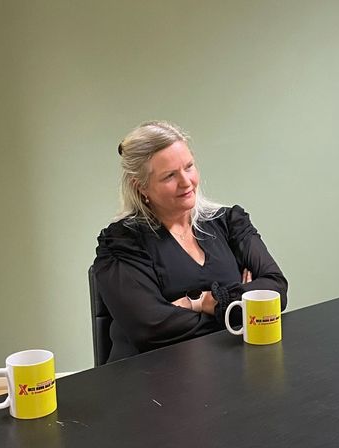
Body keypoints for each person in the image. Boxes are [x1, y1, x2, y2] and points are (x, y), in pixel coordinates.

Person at [93, 121, 288, 362]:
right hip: (150, 379)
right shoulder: (122, 242)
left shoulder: (228, 222)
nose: (186, 182)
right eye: (169, 176)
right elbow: (151, 329)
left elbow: (276, 291)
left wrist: (197, 304)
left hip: (227, 367)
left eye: (189, 167)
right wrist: (239, 305)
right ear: (141, 186)